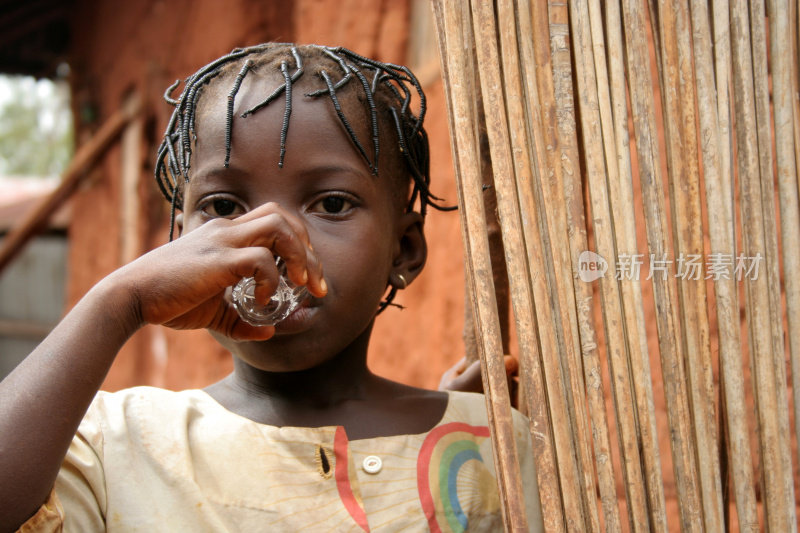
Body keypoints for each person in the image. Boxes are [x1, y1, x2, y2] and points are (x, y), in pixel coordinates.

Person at [1, 43, 542, 532]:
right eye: (223, 207)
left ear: (403, 252)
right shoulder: (115, 444)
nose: (272, 241)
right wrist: (118, 302)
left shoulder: (491, 444)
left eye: (331, 204)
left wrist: (456, 436)